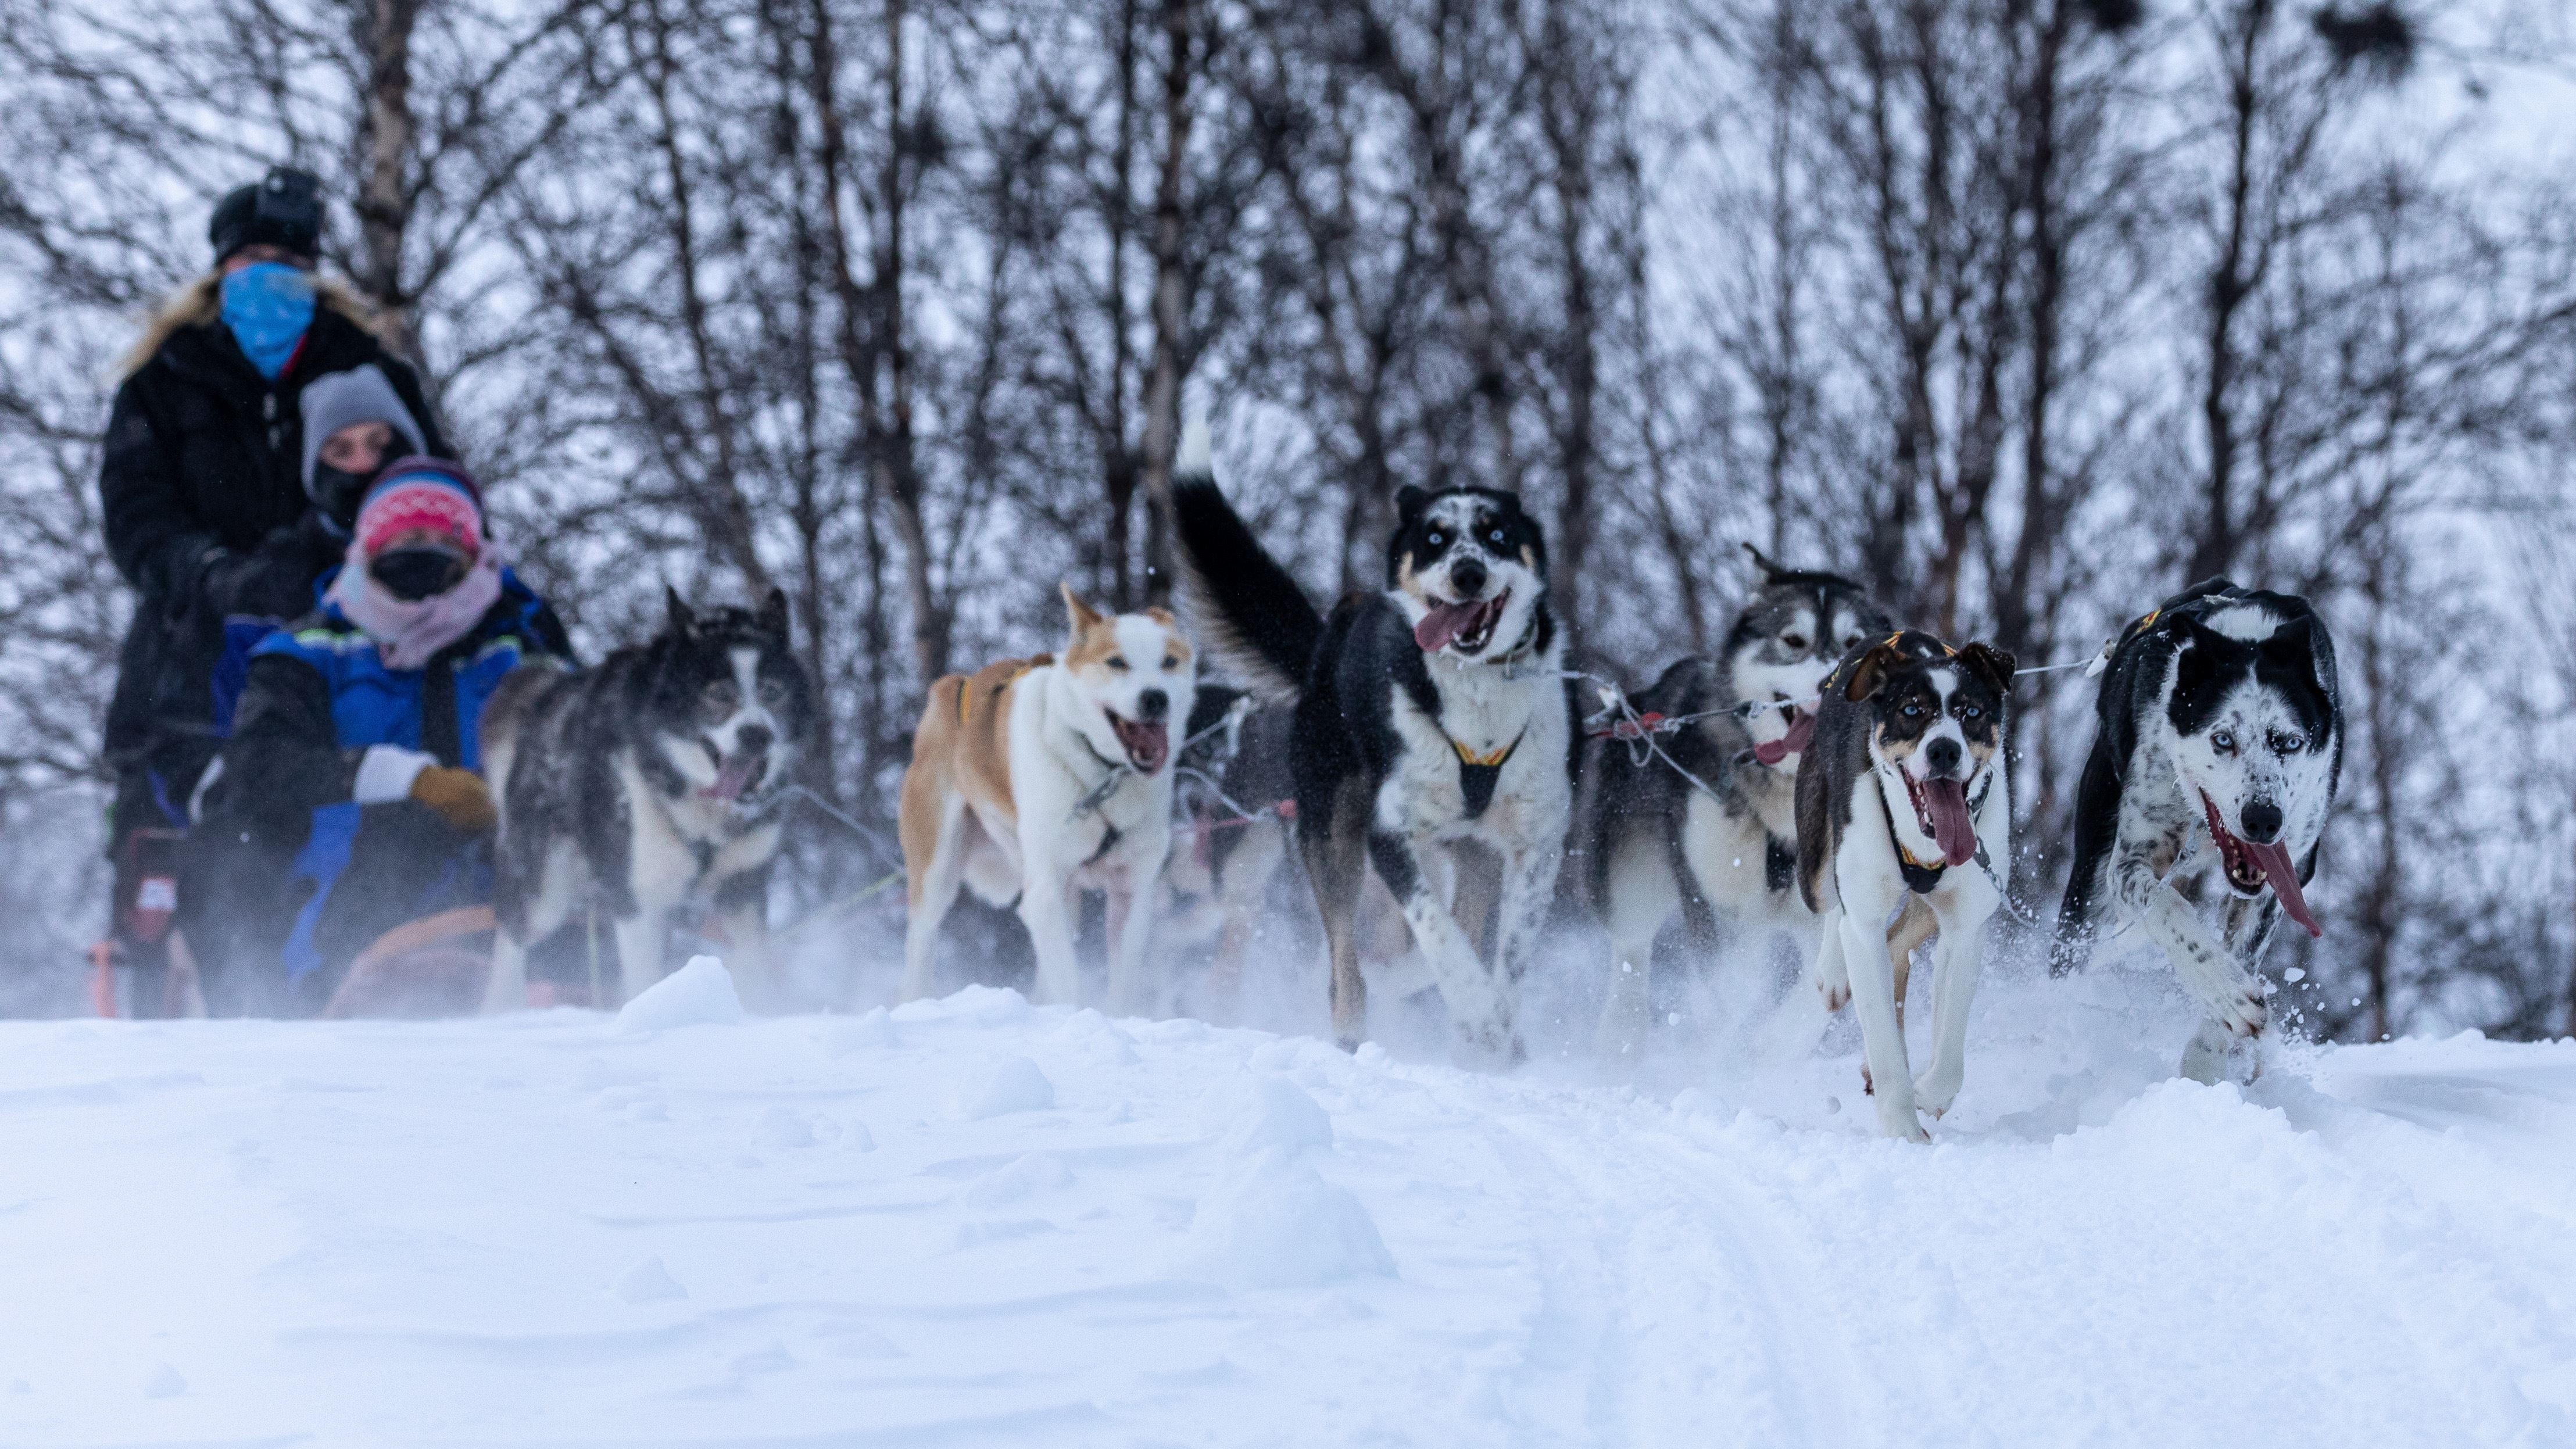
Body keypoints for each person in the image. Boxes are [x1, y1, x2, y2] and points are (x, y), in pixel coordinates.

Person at [95, 165, 446, 1014]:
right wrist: (214, 574)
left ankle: (360, 1004)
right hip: (188, 666)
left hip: (346, 654)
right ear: (220, 270)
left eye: (286, 259)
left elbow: (429, 500)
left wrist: (353, 572)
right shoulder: (163, 381)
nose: (268, 277)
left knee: (340, 833)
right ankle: (158, 1029)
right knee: (165, 863)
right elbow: (135, 518)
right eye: (251, 259)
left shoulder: (368, 373)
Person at [182, 459, 571, 1017]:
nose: (423, 549)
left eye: (442, 537)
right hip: (341, 882)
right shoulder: (307, 650)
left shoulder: (521, 650)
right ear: (368, 547)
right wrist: (405, 779)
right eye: (407, 535)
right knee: (231, 845)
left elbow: (580, 751)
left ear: (472, 550)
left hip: (505, 869)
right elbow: (257, 765)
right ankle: (280, 1011)